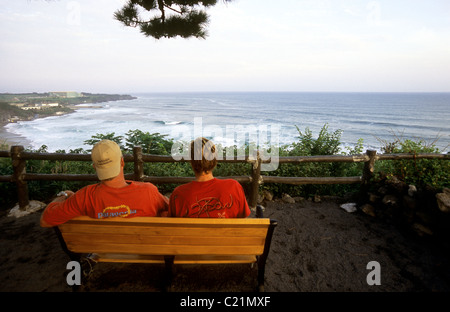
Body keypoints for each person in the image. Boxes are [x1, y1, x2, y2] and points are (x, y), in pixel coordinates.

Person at [40, 139, 169, 227]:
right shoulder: (148, 191)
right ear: (122, 162)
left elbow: (46, 220)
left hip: (104, 247)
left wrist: (63, 196)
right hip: (145, 246)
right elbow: (173, 210)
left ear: (95, 167)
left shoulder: (84, 197)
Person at [169, 137, 250, 218]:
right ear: (214, 160)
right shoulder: (233, 187)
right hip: (228, 231)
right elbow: (243, 219)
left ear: (192, 162)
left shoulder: (179, 194)